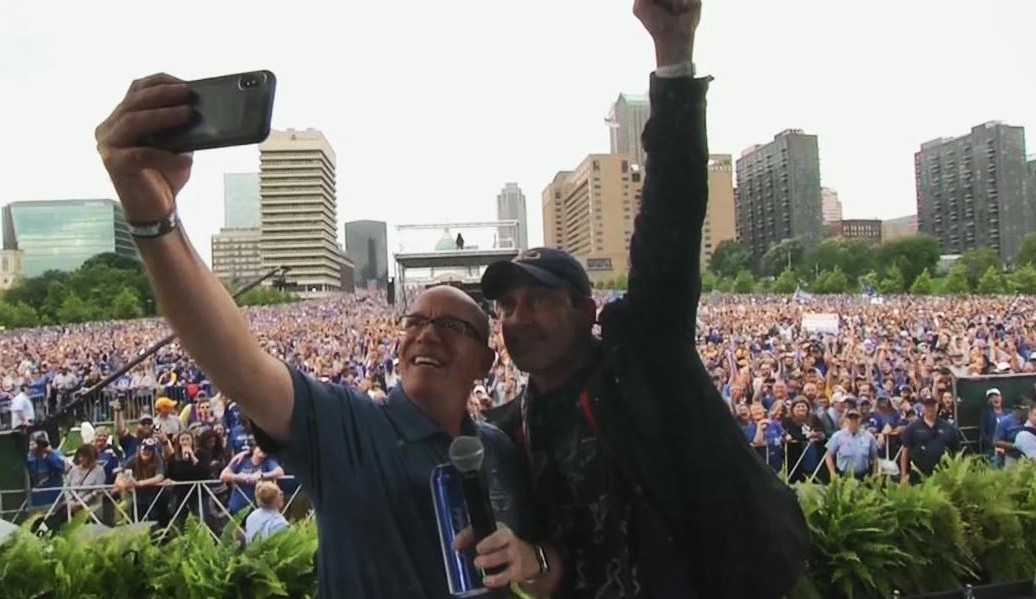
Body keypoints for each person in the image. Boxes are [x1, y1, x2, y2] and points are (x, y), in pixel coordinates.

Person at [97, 83, 532, 598]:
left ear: (485, 361)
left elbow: (557, 560)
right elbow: (236, 363)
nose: (426, 335)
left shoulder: (500, 451)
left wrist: (532, 557)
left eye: (451, 326)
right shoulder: (346, 424)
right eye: (414, 322)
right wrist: (155, 220)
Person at [476, 2, 809, 597]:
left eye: (538, 300)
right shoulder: (509, 434)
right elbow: (553, 567)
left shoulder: (646, 358)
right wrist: (530, 562)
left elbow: (670, 218)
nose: (518, 318)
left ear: (587, 311)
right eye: (506, 307)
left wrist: (673, 55)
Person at [901, 394, 962, 484]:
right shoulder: (912, 428)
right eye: (927, 406)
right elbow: (905, 451)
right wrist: (904, 475)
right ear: (923, 408)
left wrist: (957, 473)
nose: (930, 409)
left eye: (932, 406)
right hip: (918, 476)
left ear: (937, 407)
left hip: (943, 475)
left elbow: (957, 452)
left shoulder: (948, 427)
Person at [220, 444, 284, 515]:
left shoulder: (268, 461)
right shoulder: (241, 459)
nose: (263, 451)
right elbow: (223, 476)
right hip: (238, 504)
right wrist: (241, 477)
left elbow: (280, 472)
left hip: (259, 506)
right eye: (260, 448)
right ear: (254, 448)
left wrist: (261, 475)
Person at [116, 437, 166, 523]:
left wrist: (140, 483)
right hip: (136, 495)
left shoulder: (157, 459)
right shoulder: (133, 459)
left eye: (149, 450)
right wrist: (124, 485)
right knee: (134, 515)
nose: (146, 452)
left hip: (152, 494)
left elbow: (160, 476)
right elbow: (120, 475)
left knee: (154, 516)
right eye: (144, 449)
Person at [825, 409, 879, 480]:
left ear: (860, 420)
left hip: (863, 475)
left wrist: (875, 472)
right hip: (843, 475)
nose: (853, 421)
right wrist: (832, 472)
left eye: (856, 418)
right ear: (846, 420)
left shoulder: (869, 437)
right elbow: (829, 456)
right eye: (850, 418)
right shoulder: (838, 436)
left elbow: (875, 457)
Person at [64, 444, 106, 519]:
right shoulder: (74, 470)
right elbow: (66, 486)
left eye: (84, 457)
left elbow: (98, 490)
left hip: (90, 509)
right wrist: (69, 500)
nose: (81, 459)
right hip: (72, 506)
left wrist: (81, 503)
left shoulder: (99, 471)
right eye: (80, 456)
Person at [27, 431, 66, 508]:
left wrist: (50, 453)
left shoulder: (55, 454)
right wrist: (32, 453)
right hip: (37, 498)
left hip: (55, 497)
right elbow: (28, 471)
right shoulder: (30, 458)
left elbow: (61, 468)